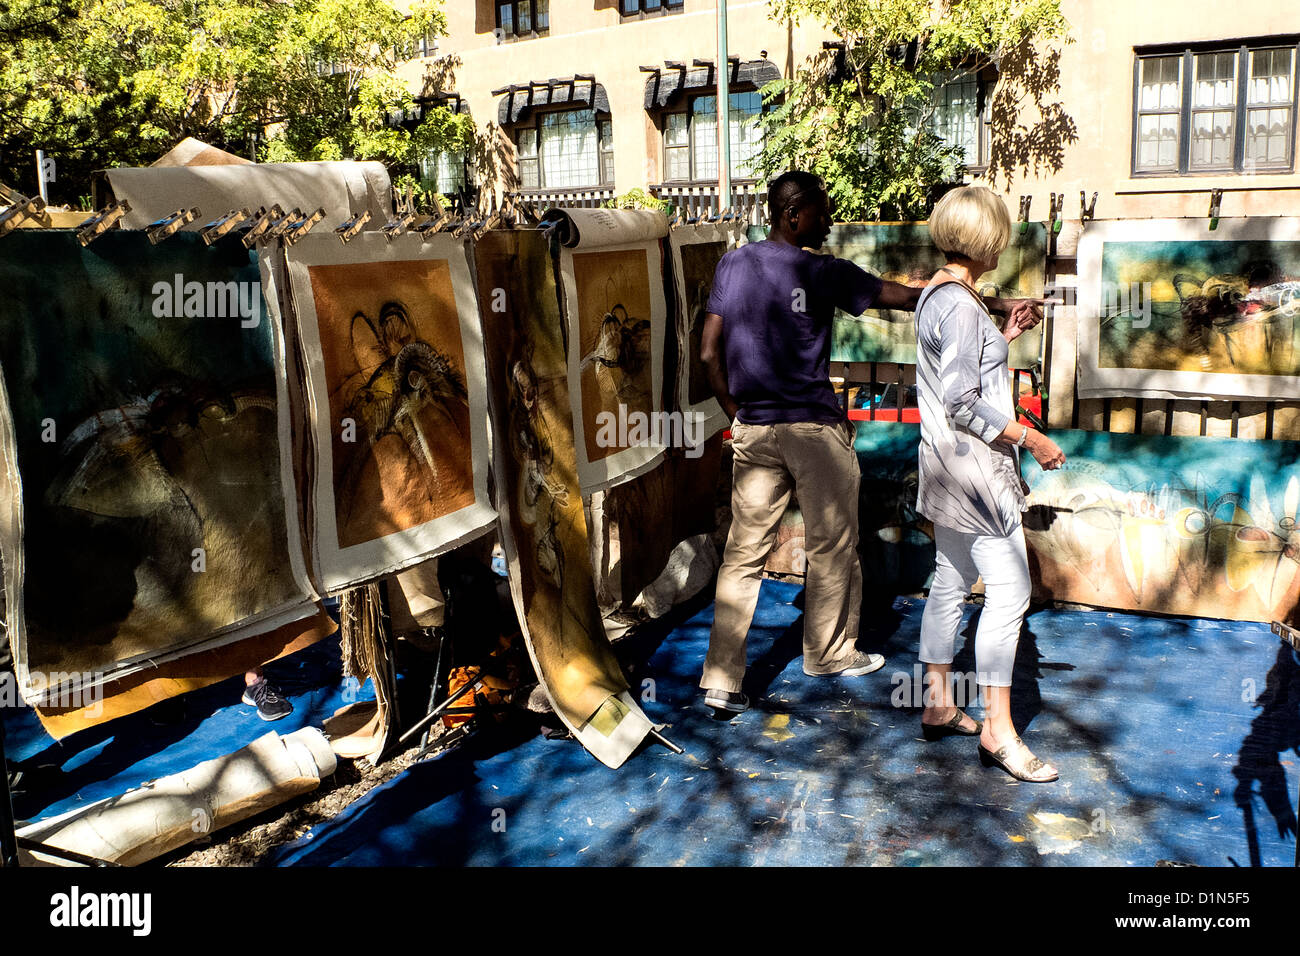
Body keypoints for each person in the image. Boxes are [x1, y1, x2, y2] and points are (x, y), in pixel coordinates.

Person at [698, 171, 1042, 714]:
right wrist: (995, 305)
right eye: (821, 211)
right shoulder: (820, 271)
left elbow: (708, 353)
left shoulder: (733, 264)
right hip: (813, 429)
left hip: (755, 431)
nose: (829, 220)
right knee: (832, 544)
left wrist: (738, 415)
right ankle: (829, 653)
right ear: (794, 214)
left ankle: (720, 678)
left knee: (742, 554)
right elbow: (908, 297)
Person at [911, 185, 1064, 782]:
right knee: (1012, 592)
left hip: (946, 470)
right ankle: (998, 730)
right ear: (986, 239)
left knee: (950, 581)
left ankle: (939, 703)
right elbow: (961, 402)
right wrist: (1032, 437)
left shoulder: (940, 297)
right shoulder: (961, 305)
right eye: (1000, 232)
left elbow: (962, 375)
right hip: (975, 476)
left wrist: (1005, 341)